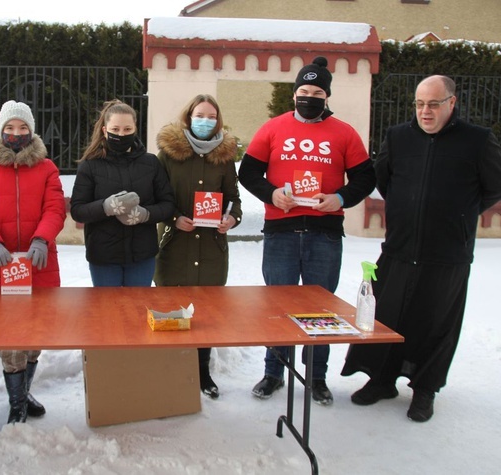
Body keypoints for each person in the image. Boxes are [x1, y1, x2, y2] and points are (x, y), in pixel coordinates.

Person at [341, 75, 501, 422]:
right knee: (386, 316)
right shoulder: (399, 138)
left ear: (452, 103)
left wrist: (461, 212)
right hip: (400, 248)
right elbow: (385, 180)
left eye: (433, 104)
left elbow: (497, 187)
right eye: (419, 104)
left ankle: (424, 390)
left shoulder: (476, 141)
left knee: (434, 323)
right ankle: (382, 380)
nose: (425, 111)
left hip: (447, 254)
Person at [238, 57, 376, 406]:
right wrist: (271, 194)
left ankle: (316, 378)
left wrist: (340, 197)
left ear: (326, 97)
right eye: (303, 91)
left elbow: (366, 177)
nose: (309, 97)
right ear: (294, 93)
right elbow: (248, 173)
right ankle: (273, 373)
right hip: (281, 231)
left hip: (324, 233)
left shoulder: (344, 133)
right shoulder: (273, 128)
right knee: (277, 304)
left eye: (316, 92)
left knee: (321, 310)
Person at [0, 100, 66, 424]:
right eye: (10, 128)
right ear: (0, 130)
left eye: (22, 128)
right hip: (0, 266)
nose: (16, 133)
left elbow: (55, 209)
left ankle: (24, 393)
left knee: (35, 335)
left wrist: (42, 238)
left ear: (31, 131)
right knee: (9, 337)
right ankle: (16, 403)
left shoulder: (47, 168)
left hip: (39, 264)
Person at [153, 94, 242, 399]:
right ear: (188, 117)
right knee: (173, 309)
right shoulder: (168, 153)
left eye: (211, 116)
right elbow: (157, 198)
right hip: (174, 244)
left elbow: (234, 200)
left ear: (218, 121)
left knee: (205, 314)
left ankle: (203, 372)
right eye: (200, 115)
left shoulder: (224, 156)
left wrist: (231, 219)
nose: (205, 121)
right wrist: (175, 217)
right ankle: (172, 371)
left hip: (211, 248)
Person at [70, 100, 175, 287]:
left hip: (142, 255)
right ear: (105, 130)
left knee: (137, 310)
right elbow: (78, 210)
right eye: (115, 129)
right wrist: (105, 207)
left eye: (127, 129)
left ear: (135, 129)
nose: (121, 134)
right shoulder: (90, 165)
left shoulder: (151, 163)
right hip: (104, 256)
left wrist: (145, 215)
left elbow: (167, 204)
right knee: (109, 311)